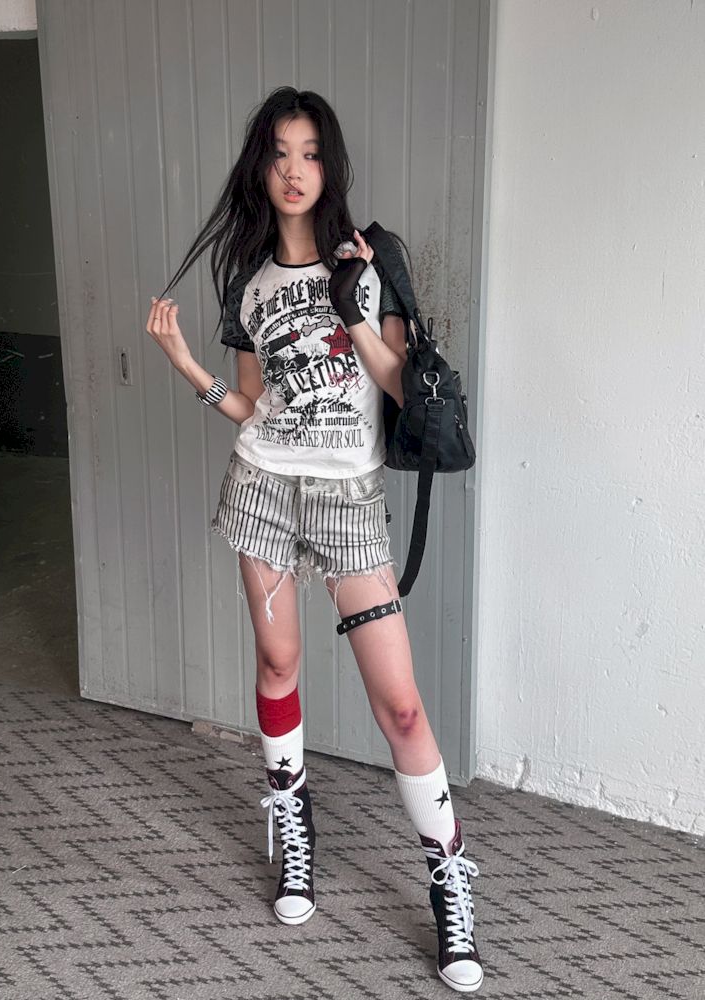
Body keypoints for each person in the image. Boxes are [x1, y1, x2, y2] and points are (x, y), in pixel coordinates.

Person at [146, 85, 483, 993]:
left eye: (310, 152)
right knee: (278, 663)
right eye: (279, 153)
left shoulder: (372, 258)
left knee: (400, 707)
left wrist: (357, 310)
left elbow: (404, 390)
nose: (295, 170)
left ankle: (449, 876)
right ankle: (293, 825)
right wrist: (189, 368)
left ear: (329, 164)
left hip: (349, 501)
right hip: (263, 489)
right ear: (261, 167)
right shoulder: (246, 280)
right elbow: (254, 406)